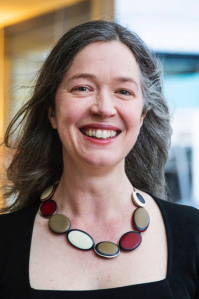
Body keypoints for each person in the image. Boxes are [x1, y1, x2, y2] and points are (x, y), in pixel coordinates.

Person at [0, 20, 199, 299]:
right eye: (82, 88)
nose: (104, 108)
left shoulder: (193, 234)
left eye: (123, 91)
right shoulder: (4, 243)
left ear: (142, 116)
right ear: (52, 112)